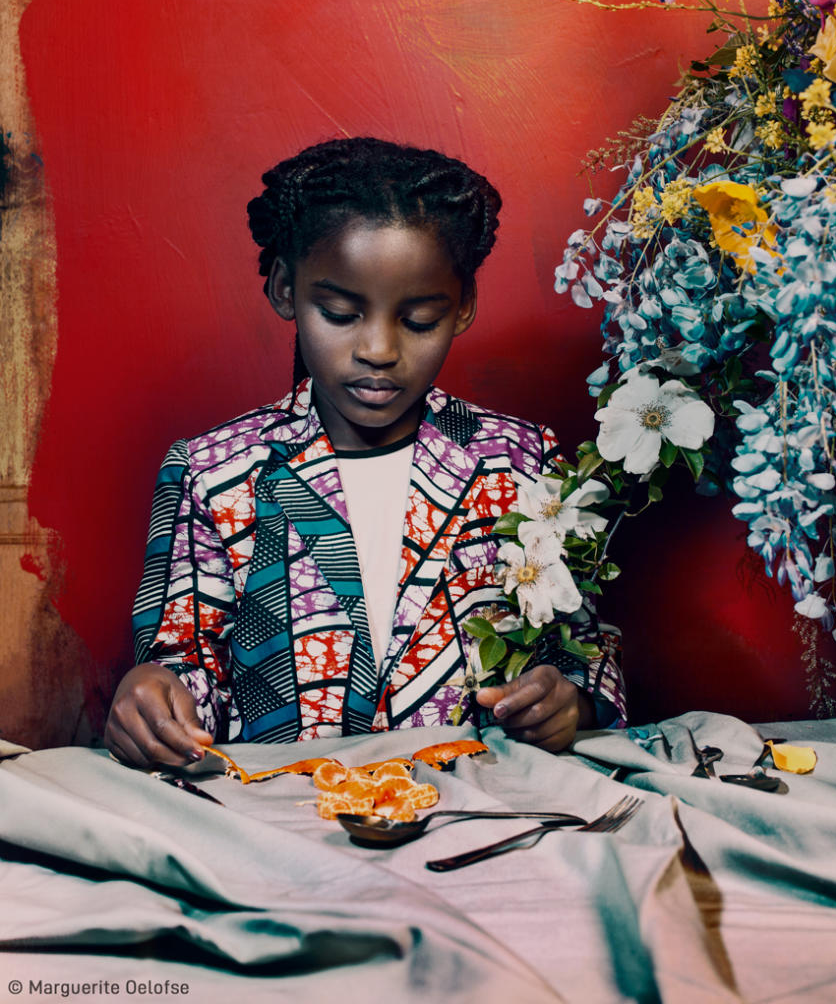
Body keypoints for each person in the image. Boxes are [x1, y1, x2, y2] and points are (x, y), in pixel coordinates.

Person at [105, 137, 625, 767]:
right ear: (284, 291)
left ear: (463, 306)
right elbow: (180, 665)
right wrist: (154, 698)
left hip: (481, 816)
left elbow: (582, 647)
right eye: (340, 313)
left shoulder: (518, 459)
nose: (378, 349)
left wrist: (574, 696)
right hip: (289, 819)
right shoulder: (214, 472)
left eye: (419, 320)